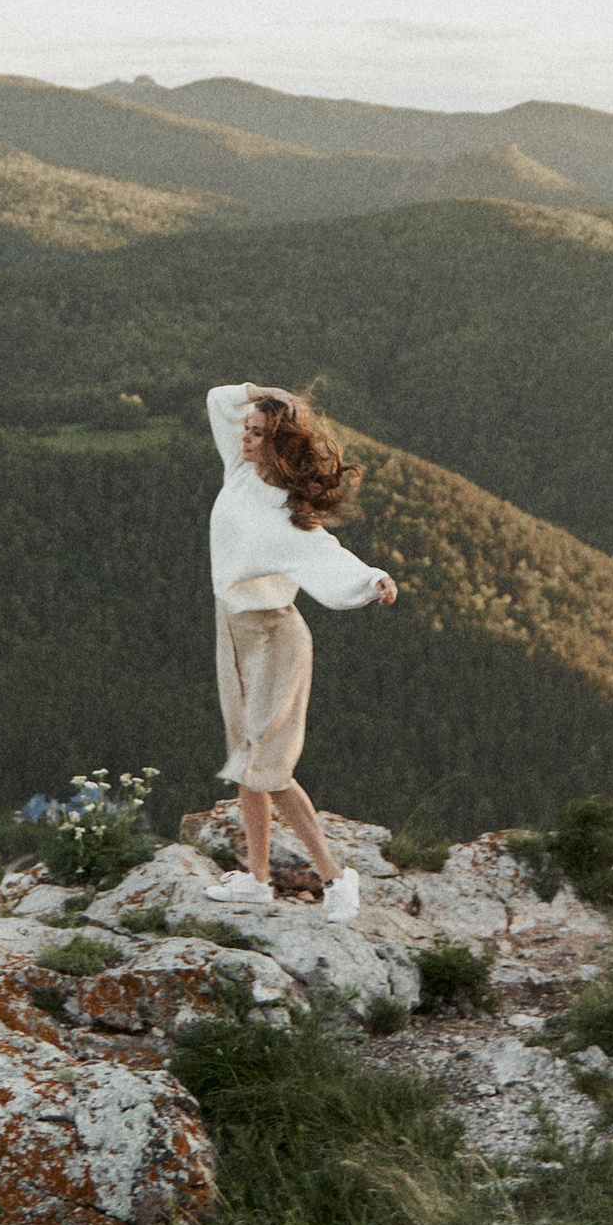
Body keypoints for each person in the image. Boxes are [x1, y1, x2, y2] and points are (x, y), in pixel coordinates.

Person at [204, 380, 397, 918]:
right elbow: (219, 401)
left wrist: (374, 579)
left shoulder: (286, 515)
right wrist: (261, 391)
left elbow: (329, 556)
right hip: (234, 629)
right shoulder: (239, 471)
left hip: (275, 637)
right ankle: (257, 880)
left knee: (270, 767)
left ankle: (337, 878)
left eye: (259, 433)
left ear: (278, 444)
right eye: (247, 428)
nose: (245, 436)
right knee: (245, 757)